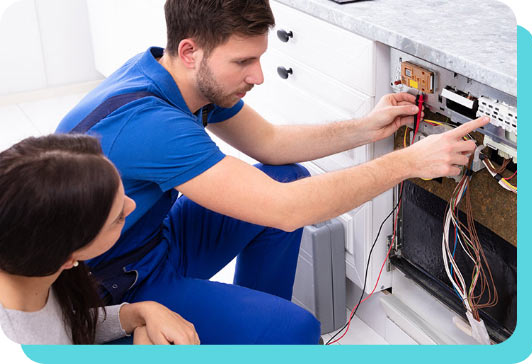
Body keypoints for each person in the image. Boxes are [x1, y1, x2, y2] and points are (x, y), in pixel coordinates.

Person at [56, 0, 489, 344]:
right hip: (115, 290)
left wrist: (366, 127)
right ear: (190, 51)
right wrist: (410, 162)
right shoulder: (149, 123)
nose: (258, 76)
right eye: (243, 61)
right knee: (298, 329)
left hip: (154, 241)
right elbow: (285, 211)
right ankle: (273, 336)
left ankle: (258, 332)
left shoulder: (169, 73)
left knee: (286, 176)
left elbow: (271, 144)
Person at [0, 134, 199, 345]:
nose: (131, 205)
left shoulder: (30, 266)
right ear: (68, 258)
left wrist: (140, 312)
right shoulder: (19, 345)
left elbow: (66, 326)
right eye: (117, 218)